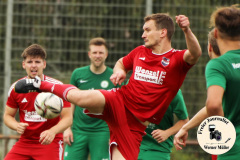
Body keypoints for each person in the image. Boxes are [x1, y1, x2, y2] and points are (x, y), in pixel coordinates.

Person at [14, 13, 202, 160]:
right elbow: (122, 62)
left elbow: (195, 53)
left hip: (134, 126)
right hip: (120, 100)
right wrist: (119, 71)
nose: (142, 34)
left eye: (147, 30)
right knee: (79, 97)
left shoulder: (177, 59)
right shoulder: (140, 52)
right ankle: (39, 83)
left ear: (163, 32)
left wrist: (187, 31)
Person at [174, 6, 240, 160]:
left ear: (216, 34)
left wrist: (222, 133)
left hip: (233, 150)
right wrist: (186, 126)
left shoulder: (219, 65)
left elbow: (214, 105)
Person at [3, 44, 72, 160]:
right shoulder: (16, 88)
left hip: (49, 142)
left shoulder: (57, 87)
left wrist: (52, 131)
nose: (33, 66)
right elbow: (7, 116)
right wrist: (16, 125)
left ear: (44, 64)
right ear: (24, 64)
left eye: (37, 62)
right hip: (25, 142)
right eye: (30, 62)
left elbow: (68, 119)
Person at [64, 37, 120, 160]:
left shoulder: (114, 77)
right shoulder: (78, 74)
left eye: (101, 53)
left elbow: (119, 107)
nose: (97, 56)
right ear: (89, 54)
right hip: (78, 132)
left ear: (106, 54)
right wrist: (67, 128)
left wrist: (115, 134)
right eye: (94, 52)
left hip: (102, 132)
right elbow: (69, 102)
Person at [138, 89, 189, 160]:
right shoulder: (134, 83)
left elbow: (184, 121)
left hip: (158, 148)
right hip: (133, 144)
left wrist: (167, 133)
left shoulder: (174, 90)